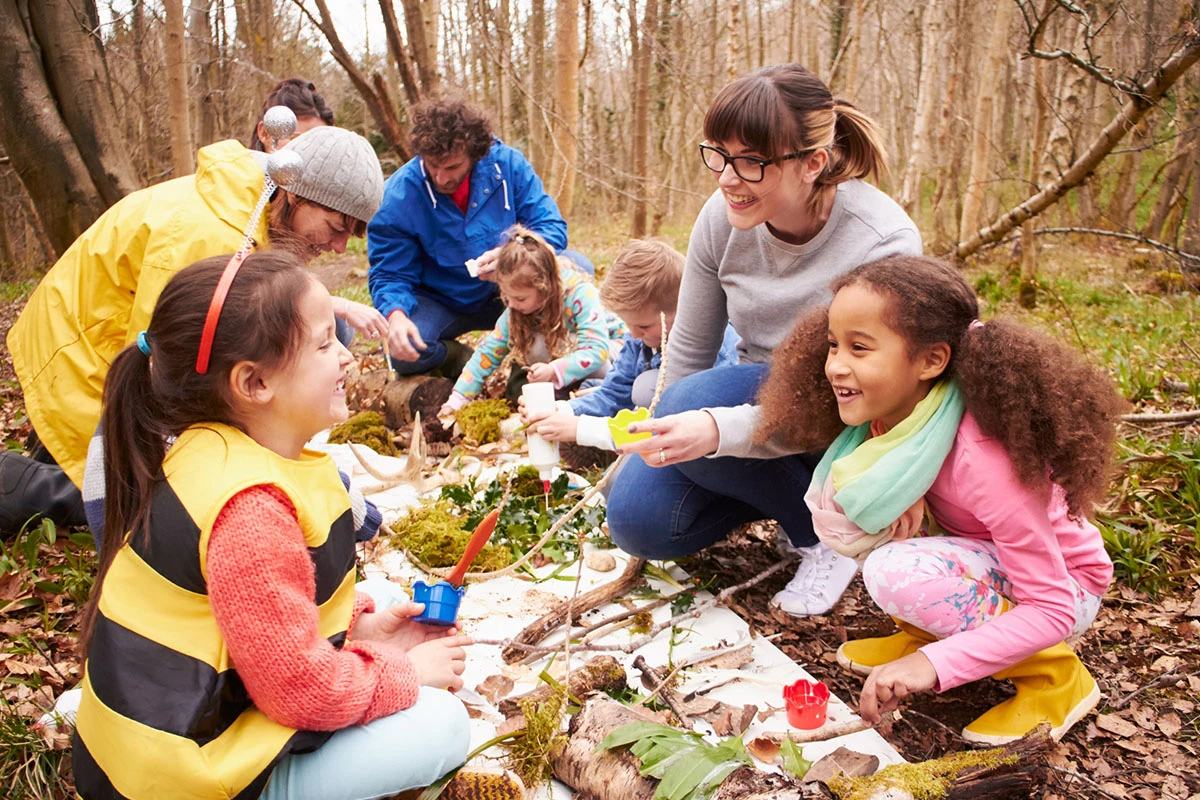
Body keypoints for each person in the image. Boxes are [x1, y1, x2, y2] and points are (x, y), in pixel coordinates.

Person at [72, 252, 474, 799]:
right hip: (181, 776)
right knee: (442, 723)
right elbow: (302, 695)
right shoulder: (251, 508)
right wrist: (405, 671)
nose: (347, 359)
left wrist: (357, 632)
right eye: (325, 344)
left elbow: (244, 618)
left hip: (147, 743)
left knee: (375, 607)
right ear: (254, 382)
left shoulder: (208, 450)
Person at [755, 255, 1125, 744]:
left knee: (896, 571)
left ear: (931, 360)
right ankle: (929, 629)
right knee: (877, 528)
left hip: (1065, 589)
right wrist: (916, 500)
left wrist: (931, 666)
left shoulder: (984, 458)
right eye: (833, 345)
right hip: (991, 560)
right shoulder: (899, 419)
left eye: (859, 348)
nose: (835, 366)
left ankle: (1056, 679)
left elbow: (1052, 605)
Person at [606, 64, 921, 617]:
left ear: (812, 163)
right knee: (636, 520)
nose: (727, 178)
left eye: (751, 162)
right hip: (752, 400)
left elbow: (870, 395)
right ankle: (772, 492)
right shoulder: (720, 220)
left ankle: (822, 535)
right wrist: (662, 433)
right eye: (718, 155)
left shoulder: (881, 243)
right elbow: (689, 350)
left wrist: (710, 425)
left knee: (692, 408)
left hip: (843, 420)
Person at [1, 126, 388, 535]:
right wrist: (303, 479)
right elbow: (172, 380)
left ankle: (53, 457)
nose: (341, 247)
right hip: (80, 355)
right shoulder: (209, 239)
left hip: (115, 345)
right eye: (335, 227)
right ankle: (15, 482)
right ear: (294, 193)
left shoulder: (257, 208)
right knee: (160, 502)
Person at [368, 95, 593, 379]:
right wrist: (395, 315)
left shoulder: (508, 167)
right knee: (407, 350)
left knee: (577, 267)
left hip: (510, 292)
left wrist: (514, 254)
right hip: (441, 300)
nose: (441, 177)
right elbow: (389, 273)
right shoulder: (399, 194)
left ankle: (538, 363)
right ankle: (458, 360)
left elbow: (550, 227)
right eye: (432, 165)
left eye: (452, 167)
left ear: (475, 155)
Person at [521, 238, 739, 450]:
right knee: (615, 486)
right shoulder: (640, 339)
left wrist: (582, 429)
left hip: (699, 445)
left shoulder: (714, 349)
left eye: (643, 326)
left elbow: (675, 427)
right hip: (651, 429)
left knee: (647, 386)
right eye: (629, 325)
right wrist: (562, 410)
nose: (633, 335)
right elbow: (614, 394)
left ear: (683, 308)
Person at [439, 226, 623, 413]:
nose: (512, 304)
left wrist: (554, 370)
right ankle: (564, 394)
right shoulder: (516, 311)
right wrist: (457, 399)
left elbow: (597, 349)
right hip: (565, 359)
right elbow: (487, 354)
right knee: (535, 345)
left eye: (520, 299)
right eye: (507, 297)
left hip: (612, 355)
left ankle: (601, 393)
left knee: (573, 346)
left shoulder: (580, 294)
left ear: (544, 286)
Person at [250, 78, 336, 152]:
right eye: (296, 140)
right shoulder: (239, 169)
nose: (310, 152)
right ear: (264, 133)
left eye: (320, 144)